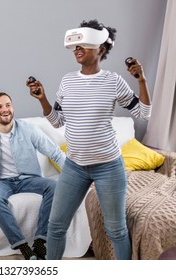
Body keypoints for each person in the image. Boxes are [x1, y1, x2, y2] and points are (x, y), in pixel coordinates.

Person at [27, 19, 152, 260]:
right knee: (55, 227)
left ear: (101, 49)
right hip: (74, 167)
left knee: (116, 230)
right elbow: (57, 121)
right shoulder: (68, 81)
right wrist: (42, 99)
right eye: (75, 46)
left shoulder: (113, 81)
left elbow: (143, 113)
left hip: (109, 167)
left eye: (83, 45)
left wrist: (142, 81)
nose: (77, 49)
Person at [0, 92, 65, 260]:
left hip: (28, 179)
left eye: (8, 105)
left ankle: (40, 242)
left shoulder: (28, 128)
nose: (5, 109)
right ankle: (22, 246)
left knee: (55, 186)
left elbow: (55, 152)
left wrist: (77, 177)